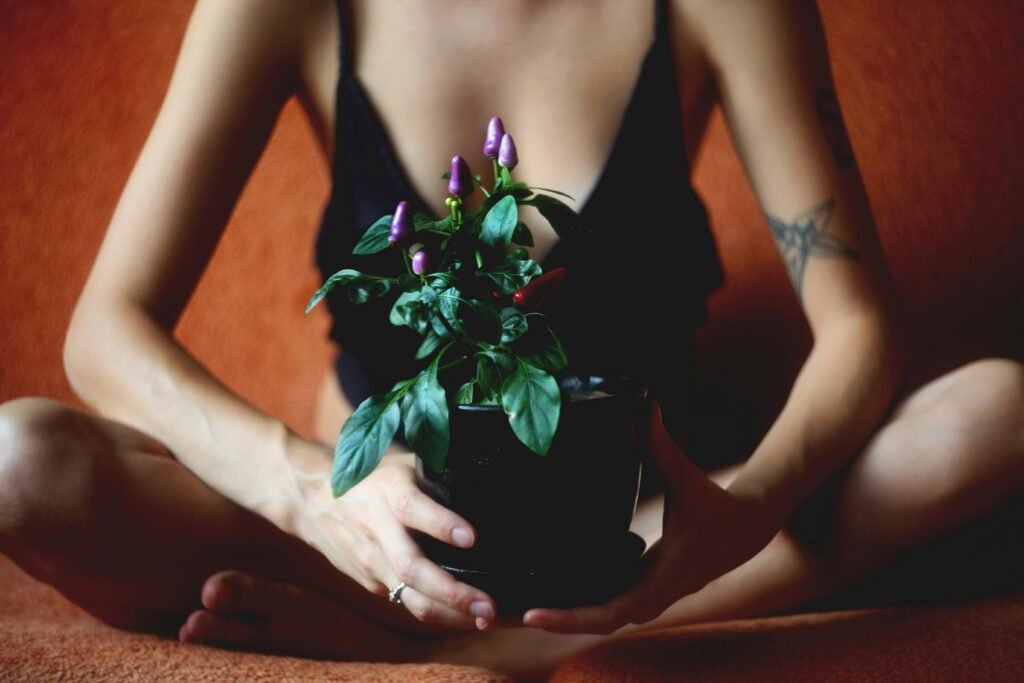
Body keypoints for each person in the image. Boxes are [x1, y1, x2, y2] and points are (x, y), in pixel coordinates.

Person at [1, 0, 1021, 676]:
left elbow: (857, 324)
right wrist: (314, 490)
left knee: (996, 411)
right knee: (23, 463)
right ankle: (448, 626)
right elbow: (105, 332)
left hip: (650, 537)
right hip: (375, 544)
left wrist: (746, 510)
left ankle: (460, 652)